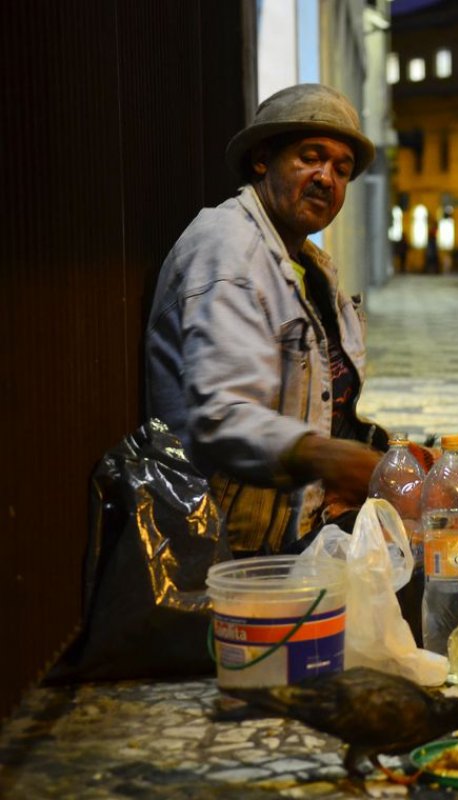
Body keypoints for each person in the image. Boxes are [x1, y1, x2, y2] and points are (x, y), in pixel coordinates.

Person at [144, 84, 387, 556]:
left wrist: (388, 454)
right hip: (235, 547)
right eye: (311, 157)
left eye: (342, 169)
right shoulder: (229, 250)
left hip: (300, 521)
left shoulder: (309, 263)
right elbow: (222, 418)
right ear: (262, 159)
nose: (326, 178)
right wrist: (330, 458)